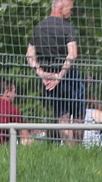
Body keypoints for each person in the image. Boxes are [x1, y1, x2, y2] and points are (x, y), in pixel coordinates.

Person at [26, 0, 83, 145]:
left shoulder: (39, 27)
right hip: (69, 77)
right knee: (78, 114)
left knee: (62, 116)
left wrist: (41, 74)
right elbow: (73, 54)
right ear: (60, 8)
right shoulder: (66, 27)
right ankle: (77, 150)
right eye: (70, 9)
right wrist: (60, 75)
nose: (72, 12)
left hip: (49, 80)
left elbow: (29, 55)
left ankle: (69, 149)